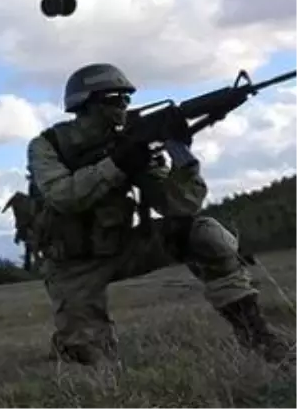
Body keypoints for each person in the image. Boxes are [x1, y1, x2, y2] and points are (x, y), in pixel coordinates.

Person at [25, 62, 289, 366]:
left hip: (122, 247)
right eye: (114, 99)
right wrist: (117, 165)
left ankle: (259, 338)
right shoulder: (48, 146)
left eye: (126, 99)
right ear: (85, 105)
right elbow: (63, 196)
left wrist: (182, 158)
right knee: (91, 360)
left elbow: (180, 206)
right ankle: (69, 344)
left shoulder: (130, 146)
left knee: (206, 234)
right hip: (72, 266)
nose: (123, 107)